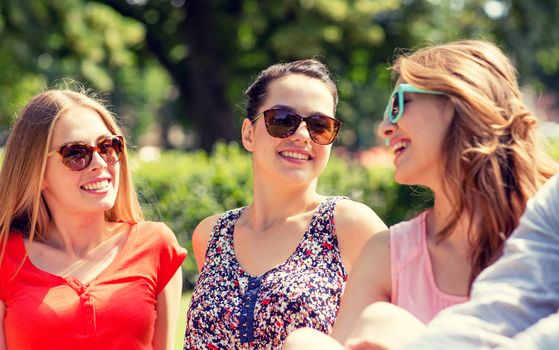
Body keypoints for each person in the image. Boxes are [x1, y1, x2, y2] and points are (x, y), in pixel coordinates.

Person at [284, 39, 558, 349]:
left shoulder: (549, 223)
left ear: (460, 100)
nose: (384, 127)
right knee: (306, 342)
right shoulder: (389, 253)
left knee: (383, 323)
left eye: (398, 105)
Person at [183, 59, 387, 349]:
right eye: (282, 120)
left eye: (320, 126)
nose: (303, 136)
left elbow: (410, 320)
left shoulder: (349, 224)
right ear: (248, 133)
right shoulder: (211, 234)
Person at [0, 88, 187, 350]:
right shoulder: (4, 258)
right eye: (75, 153)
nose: (99, 162)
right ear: (37, 173)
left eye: (108, 146)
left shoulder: (156, 246)